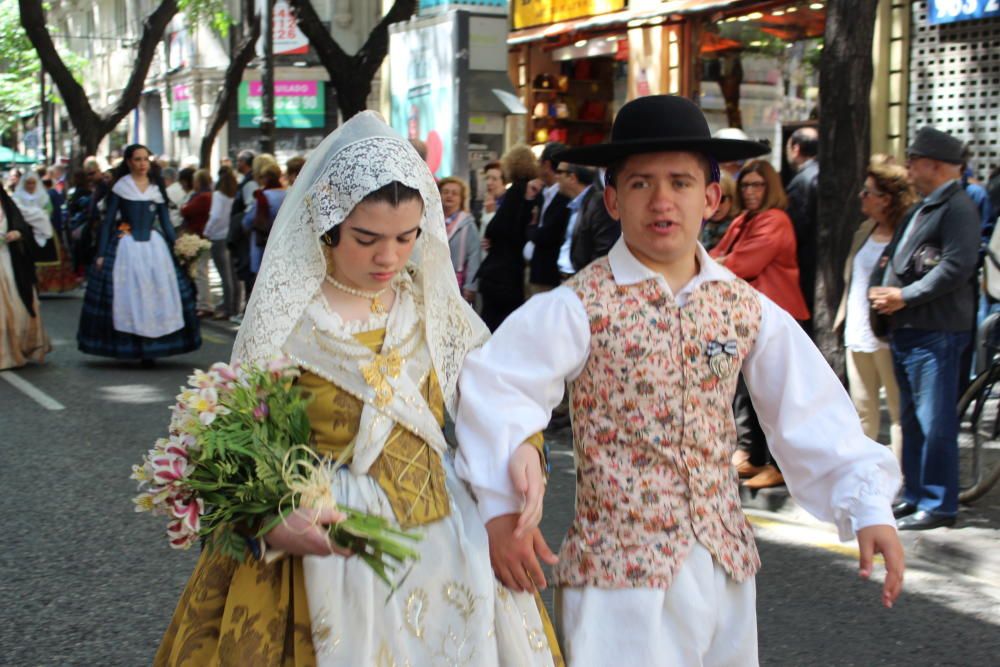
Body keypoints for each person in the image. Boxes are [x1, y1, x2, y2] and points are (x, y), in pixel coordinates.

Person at [455, 95, 904, 667]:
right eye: (641, 184)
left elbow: (808, 411)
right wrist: (501, 510)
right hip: (617, 577)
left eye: (681, 182)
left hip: (724, 568)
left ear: (711, 197)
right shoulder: (579, 305)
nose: (662, 200)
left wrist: (867, 506)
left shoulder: (744, 307)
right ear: (612, 198)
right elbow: (498, 389)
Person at [154, 111, 562, 666]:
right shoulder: (287, 318)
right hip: (323, 538)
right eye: (366, 238)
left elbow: (496, 399)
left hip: (444, 532)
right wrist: (270, 511)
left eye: (405, 237)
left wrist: (523, 447)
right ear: (329, 225)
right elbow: (237, 432)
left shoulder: (434, 307)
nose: (388, 257)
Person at [869, 126, 980, 531]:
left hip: (937, 330)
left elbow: (955, 267)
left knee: (935, 423)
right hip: (910, 327)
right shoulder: (925, 206)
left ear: (933, 165)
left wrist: (905, 296)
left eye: (914, 160)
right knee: (914, 419)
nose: (909, 168)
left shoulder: (958, 208)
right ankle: (915, 493)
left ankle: (938, 503)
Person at [710, 159, 809, 489]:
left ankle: (779, 465)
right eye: (746, 185)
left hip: (775, 317)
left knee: (772, 396)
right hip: (750, 317)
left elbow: (741, 262)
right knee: (750, 394)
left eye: (758, 185)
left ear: (771, 188)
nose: (750, 191)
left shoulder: (774, 219)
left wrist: (715, 262)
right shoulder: (745, 219)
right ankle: (753, 455)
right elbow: (718, 256)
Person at [76, 144, 201, 364]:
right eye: (138, 159)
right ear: (128, 162)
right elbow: (108, 223)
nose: (143, 164)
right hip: (127, 246)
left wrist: (180, 248)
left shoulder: (156, 187)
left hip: (155, 247)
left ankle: (152, 347)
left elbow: (165, 223)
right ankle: (130, 344)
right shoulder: (121, 187)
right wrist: (102, 253)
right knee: (128, 296)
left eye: (146, 159)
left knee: (157, 294)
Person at [835, 162, 917, 463]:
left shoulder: (908, 232)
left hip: (889, 332)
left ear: (886, 198)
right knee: (862, 410)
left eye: (868, 192)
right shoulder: (865, 230)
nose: (862, 197)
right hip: (857, 330)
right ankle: (865, 477)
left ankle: (902, 481)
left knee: (898, 413)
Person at [476, 146, 538, 331]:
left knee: (492, 327)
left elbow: (498, 228)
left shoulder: (516, 192)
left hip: (502, 274)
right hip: (512, 273)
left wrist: (490, 231)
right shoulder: (532, 192)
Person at [0, 186, 52, 370]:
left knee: (16, 305)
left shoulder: (8, 204)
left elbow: (22, 226)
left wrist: (17, 233)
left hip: (9, 262)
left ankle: (14, 348)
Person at [785, 126, 820, 333]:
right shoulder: (819, 175)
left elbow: (796, 229)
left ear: (796, 149)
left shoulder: (801, 181)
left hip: (806, 265)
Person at [525, 142, 571, 295]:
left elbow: (547, 235)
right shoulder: (540, 192)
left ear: (546, 164)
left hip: (550, 275)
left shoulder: (565, 197)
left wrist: (532, 228)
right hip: (536, 270)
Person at [242, 160, 285, 286]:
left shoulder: (263, 196)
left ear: (266, 178)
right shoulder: (288, 193)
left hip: (263, 244)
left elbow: (248, 221)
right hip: (282, 244)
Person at [204, 165, 238, 320]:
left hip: (218, 236)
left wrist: (207, 232)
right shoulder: (234, 196)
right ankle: (234, 305)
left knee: (224, 274)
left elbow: (215, 215)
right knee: (232, 274)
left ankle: (227, 306)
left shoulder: (218, 195)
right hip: (230, 236)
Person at [438, 176, 480, 303]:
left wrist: (471, 286)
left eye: (455, 193)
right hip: (433, 282)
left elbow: (474, 257)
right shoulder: (430, 221)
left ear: (461, 199)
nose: (449, 196)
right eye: (445, 192)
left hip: (457, 286)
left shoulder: (468, 225)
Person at [180, 168, 214, 317]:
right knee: (200, 271)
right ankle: (203, 302)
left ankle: (204, 304)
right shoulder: (208, 196)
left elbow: (187, 210)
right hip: (200, 236)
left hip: (199, 237)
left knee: (201, 272)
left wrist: (184, 208)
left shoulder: (203, 197)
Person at [227, 149, 256, 322]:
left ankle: (247, 312)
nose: (237, 164)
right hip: (247, 235)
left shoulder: (249, 183)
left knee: (247, 270)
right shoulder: (246, 181)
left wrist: (243, 226)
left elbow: (250, 208)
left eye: (239, 161)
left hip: (247, 236)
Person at [699, 173, 738, 251]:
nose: (715, 205)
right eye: (708, 198)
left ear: (732, 199)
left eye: (721, 199)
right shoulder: (698, 224)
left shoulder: (738, 228)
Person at [480, 160, 506, 229]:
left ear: (505, 183)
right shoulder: (490, 201)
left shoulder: (509, 205)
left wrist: (490, 213)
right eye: (487, 178)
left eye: (494, 179)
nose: (488, 183)